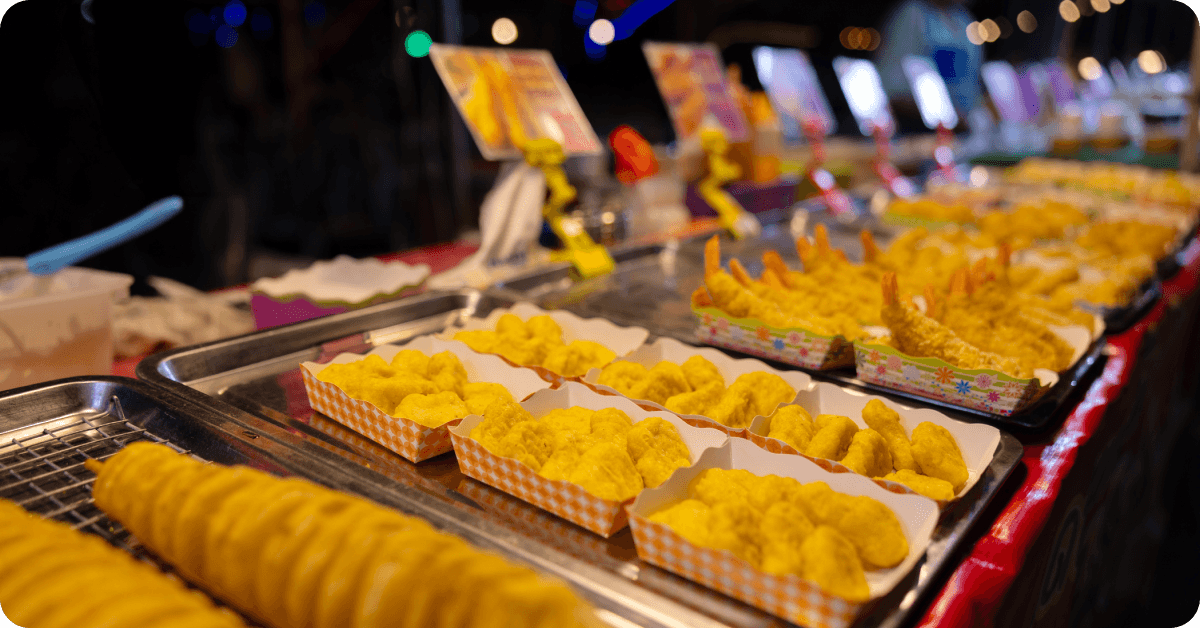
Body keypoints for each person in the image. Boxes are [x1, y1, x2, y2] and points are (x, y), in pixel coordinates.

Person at [875, 0, 982, 128]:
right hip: (921, 129)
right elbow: (893, 89)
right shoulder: (913, 14)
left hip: (966, 127)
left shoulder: (964, 19)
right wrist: (948, 119)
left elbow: (973, 84)